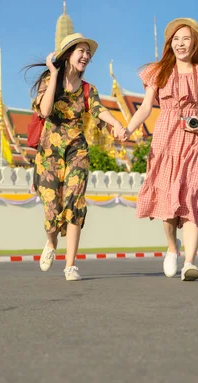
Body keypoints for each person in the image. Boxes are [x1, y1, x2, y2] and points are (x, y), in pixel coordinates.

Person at [121, 18, 198, 281]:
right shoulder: (159, 71)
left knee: (191, 196)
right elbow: (145, 108)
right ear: (170, 44)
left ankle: (190, 262)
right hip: (165, 136)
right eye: (176, 39)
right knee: (167, 197)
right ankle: (172, 247)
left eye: (186, 39)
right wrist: (128, 128)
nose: (180, 44)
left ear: (195, 44)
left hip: (196, 139)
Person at [24, 33, 126, 281]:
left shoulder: (88, 90)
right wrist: (54, 73)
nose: (86, 56)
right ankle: (51, 243)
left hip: (77, 150)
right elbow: (46, 111)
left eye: (88, 53)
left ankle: (70, 265)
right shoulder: (49, 82)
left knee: (74, 203)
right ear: (68, 54)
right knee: (51, 208)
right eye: (81, 51)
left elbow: (100, 110)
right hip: (49, 153)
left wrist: (117, 125)